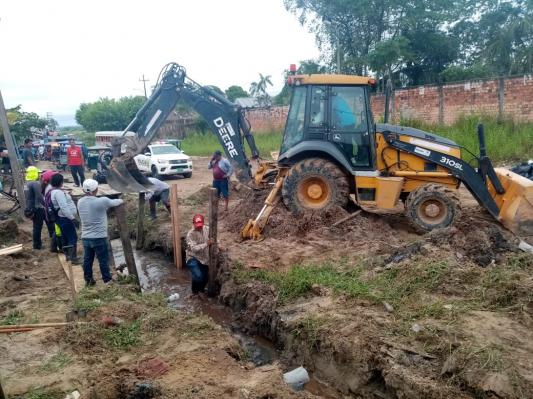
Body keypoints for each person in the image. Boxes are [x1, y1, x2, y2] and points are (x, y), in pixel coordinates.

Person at [77, 179, 123, 286]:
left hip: (86, 237)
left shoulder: (80, 201)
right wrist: (122, 199)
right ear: (96, 189)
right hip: (99, 237)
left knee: (88, 260)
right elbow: (116, 202)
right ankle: (107, 280)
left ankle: (88, 280)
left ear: (84, 190)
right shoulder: (101, 201)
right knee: (103, 259)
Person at [48, 173, 81, 264]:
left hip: (60, 218)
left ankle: (67, 255)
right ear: (60, 182)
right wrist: (72, 219)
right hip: (65, 218)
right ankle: (73, 258)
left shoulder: (53, 191)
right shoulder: (58, 193)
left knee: (65, 236)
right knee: (72, 237)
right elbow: (64, 207)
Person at [185, 214, 213, 295]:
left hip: (204, 259)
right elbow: (194, 249)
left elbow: (214, 239)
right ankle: (194, 292)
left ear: (203, 223)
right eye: (197, 225)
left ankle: (201, 291)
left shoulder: (207, 229)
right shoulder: (190, 234)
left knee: (205, 278)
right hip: (192, 257)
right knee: (198, 276)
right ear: (193, 223)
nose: (199, 227)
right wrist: (206, 244)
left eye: (200, 225)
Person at [24, 166, 45, 249]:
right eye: (37, 173)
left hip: (30, 208)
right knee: (38, 227)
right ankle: (37, 245)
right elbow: (39, 196)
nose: (39, 175)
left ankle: (36, 244)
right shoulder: (35, 183)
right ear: (34, 173)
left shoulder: (26, 184)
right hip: (37, 208)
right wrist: (45, 204)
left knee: (35, 226)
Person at [41, 170, 61, 252]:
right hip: (51, 211)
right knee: (56, 231)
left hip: (48, 210)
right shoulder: (50, 187)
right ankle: (55, 247)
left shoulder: (46, 186)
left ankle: (54, 247)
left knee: (54, 230)